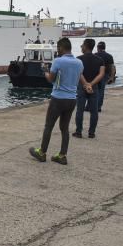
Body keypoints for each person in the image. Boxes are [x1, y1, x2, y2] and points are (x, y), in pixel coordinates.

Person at [29, 37, 83, 165]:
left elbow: (51, 79)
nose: (57, 51)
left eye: (57, 48)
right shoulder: (79, 63)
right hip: (72, 99)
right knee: (64, 128)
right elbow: (77, 78)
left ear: (61, 48)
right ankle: (62, 155)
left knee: (49, 126)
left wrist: (45, 71)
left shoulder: (58, 61)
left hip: (58, 99)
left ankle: (42, 153)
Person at [74, 38, 105, 138]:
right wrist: (91, 84)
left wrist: (86, 84)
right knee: (94, 111)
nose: (81, 47)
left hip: (81, 87)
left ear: (86, 46)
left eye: (82, 45)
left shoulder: (78, 59)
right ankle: (91, 133)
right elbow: (101, 74)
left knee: (80, 110)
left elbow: (78, 73)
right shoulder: (100, 60)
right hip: (94, 87)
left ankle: (78, 132)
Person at [94, 41, 116, 112]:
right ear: (104, 47)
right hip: (105, 75)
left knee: (94, 90)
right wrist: (112, 77)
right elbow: (112, 67)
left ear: (97, 48)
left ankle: (92, 106)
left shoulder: (95, 55)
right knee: (101, 91)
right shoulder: (109, 56)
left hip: (96, 75)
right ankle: (98, 107)